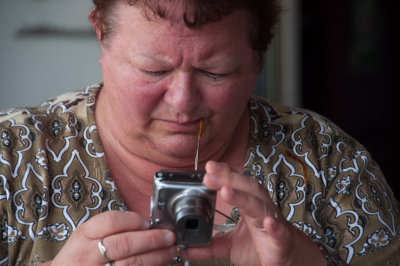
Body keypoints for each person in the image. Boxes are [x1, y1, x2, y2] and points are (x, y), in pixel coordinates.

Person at [0, 0, 399, 265]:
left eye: (216, 72)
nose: (183, 101)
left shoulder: (327, 162)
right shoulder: (12, 157)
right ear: (101, 36)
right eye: (153, 69)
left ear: (258, 57)